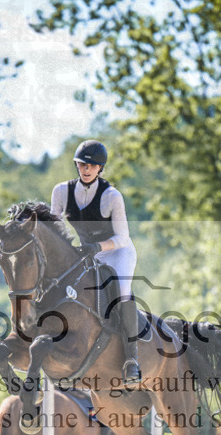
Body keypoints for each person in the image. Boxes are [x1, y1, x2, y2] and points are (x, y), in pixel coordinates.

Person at [51, 140, 141, 385]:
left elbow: (123, 237)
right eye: (82, 164)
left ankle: (132, 359)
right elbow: (54, 229)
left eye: (92, 165)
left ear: (100, 168)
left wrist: (97, 248)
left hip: (117, 252)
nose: (86, 169)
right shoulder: (61, 191)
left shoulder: (112, 196)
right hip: (87, 252)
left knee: (121, 294)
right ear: (77, 166)